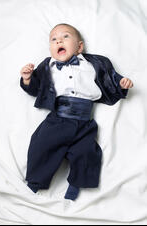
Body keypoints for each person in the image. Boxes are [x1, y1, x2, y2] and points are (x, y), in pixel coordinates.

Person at [20, 23, 133, 200]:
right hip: (58, 118)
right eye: (54, 39)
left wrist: (121, 83)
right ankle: (36, 181)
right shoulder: (48, 65)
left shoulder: (93, 63)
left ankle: (77, 183)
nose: (59, 41)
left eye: (65, 36)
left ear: (79, 46)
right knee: (41, 145)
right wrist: (27, 79)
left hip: (84, 121)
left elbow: (109, 78)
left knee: (88, 152)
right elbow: (36, 88)